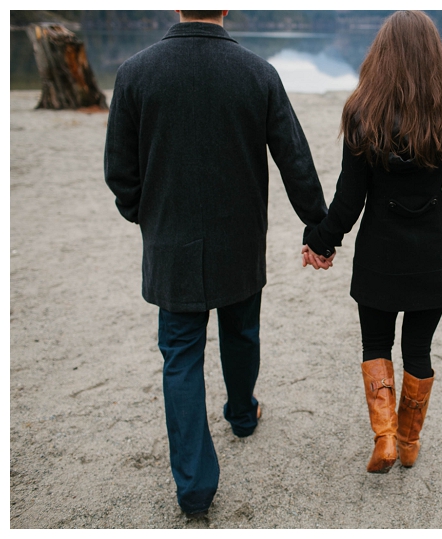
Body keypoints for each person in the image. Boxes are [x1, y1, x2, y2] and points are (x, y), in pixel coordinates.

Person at [104, 10, 329, 517]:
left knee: (180, 356)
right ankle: (243, 416)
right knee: (241, 331)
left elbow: (119, 170)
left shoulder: (135, 72)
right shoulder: (257, 72)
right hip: (240, 236)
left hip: (171, 243)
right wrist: (319, 226)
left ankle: (195, 490)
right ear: (226, 7)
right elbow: (294, 157)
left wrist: (146, 214)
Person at [302, 10, 442, 473]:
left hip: (379, 254)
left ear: (381, 54)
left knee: (375, 343)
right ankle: (410, 442)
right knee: (418, 349)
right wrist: (437, 225)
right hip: (433, 257)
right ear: (435, 56)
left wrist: (320, 240)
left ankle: (385, 440)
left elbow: (349, 199)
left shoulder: (362, 112)